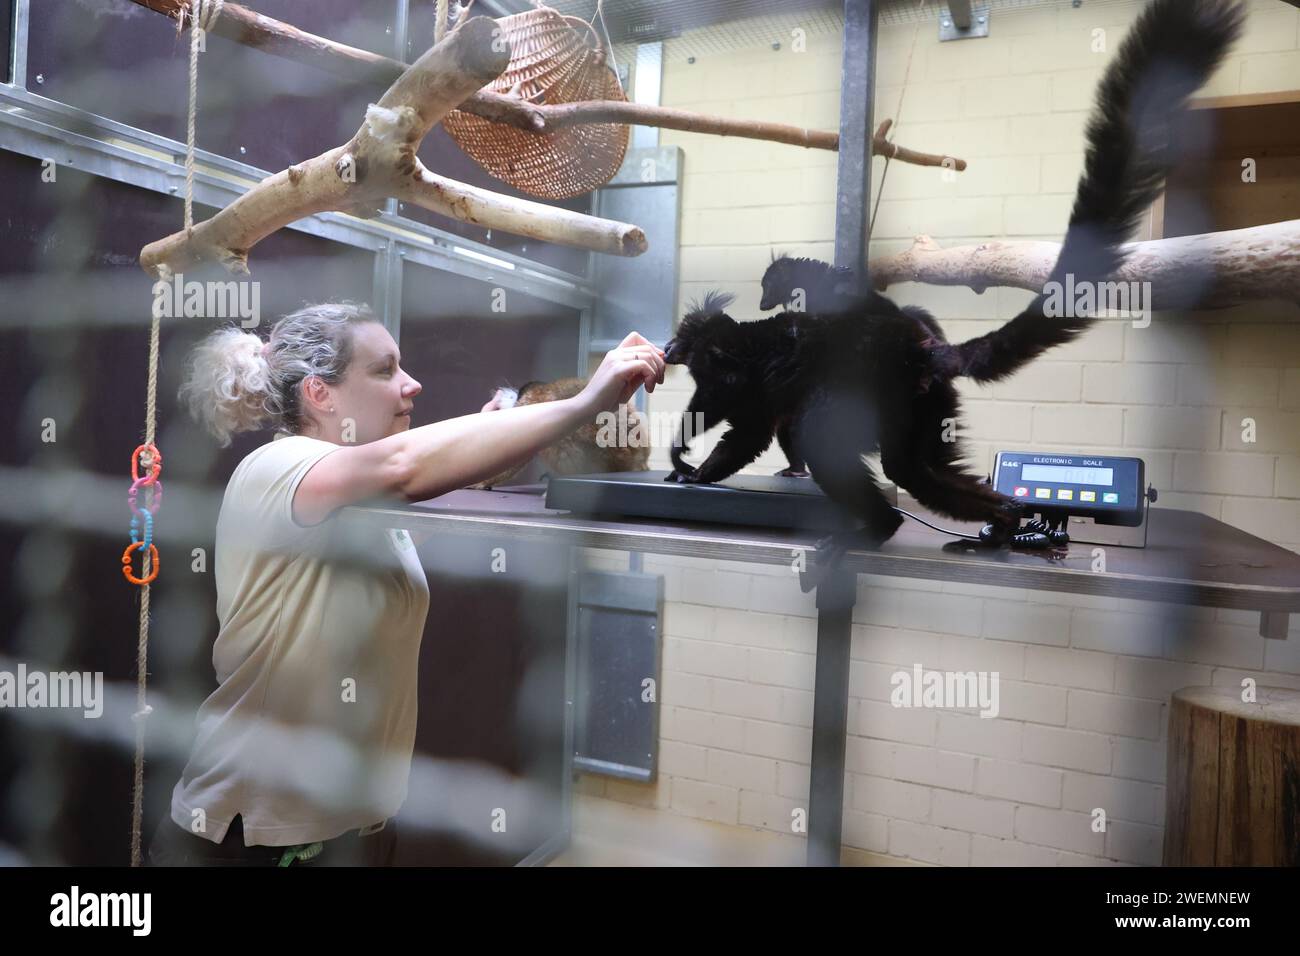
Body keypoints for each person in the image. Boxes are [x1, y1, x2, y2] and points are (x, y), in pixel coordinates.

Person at [146, 301, 664, 866]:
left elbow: (415, 498)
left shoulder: (355, 503)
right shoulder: (280, 468)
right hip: (250, 835)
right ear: (321, 394)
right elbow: (404, 467)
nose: (411, 384)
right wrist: (586, 401)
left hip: (355, 829)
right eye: (384, 369)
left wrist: (499, 434)